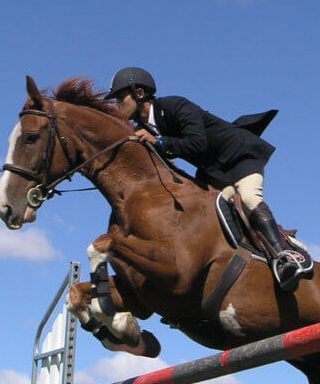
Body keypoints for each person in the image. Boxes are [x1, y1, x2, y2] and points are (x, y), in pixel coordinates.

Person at [105, 66, 308, 291]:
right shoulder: (143, 127)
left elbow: (197, 143)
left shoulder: (174, 106)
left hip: (239, 158)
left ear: (139, 93)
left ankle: (285, 257)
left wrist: (159, 142)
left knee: (250, 198)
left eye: (119, 97)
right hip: (214, 172)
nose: (117, 105)